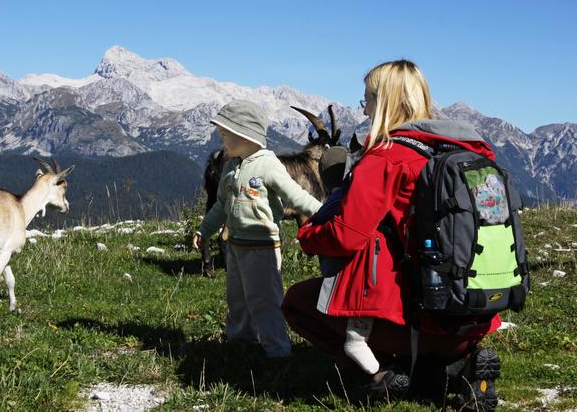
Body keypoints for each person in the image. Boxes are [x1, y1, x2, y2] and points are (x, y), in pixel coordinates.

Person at [282, 60, 502, 407]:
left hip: (414, 318)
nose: (364, 108)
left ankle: (380, 375)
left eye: (367, 98)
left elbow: (346, 236)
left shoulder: (386, 157)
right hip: (474, 314)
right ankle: (460, 364)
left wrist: (308, 236)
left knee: (297, 302)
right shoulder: (465, 150)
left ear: (384, 102)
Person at [193, 99, 322, 358]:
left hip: (263, 249)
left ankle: (277, 349)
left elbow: (296, 196)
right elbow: (221, 206)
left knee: (265, 301)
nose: (221, 141)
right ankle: (241, 340)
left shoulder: (268, 164)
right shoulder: (231, 167)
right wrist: (203, 231)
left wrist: (325, 214)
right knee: (237, 299)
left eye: (224, 135)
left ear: (245, 134)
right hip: (236, 248)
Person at [314, 145, 382, 376]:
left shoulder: (336, 201)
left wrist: (307, 233)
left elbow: (318, 230)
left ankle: (347, 361)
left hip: (344, 281)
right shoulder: (366, 196)